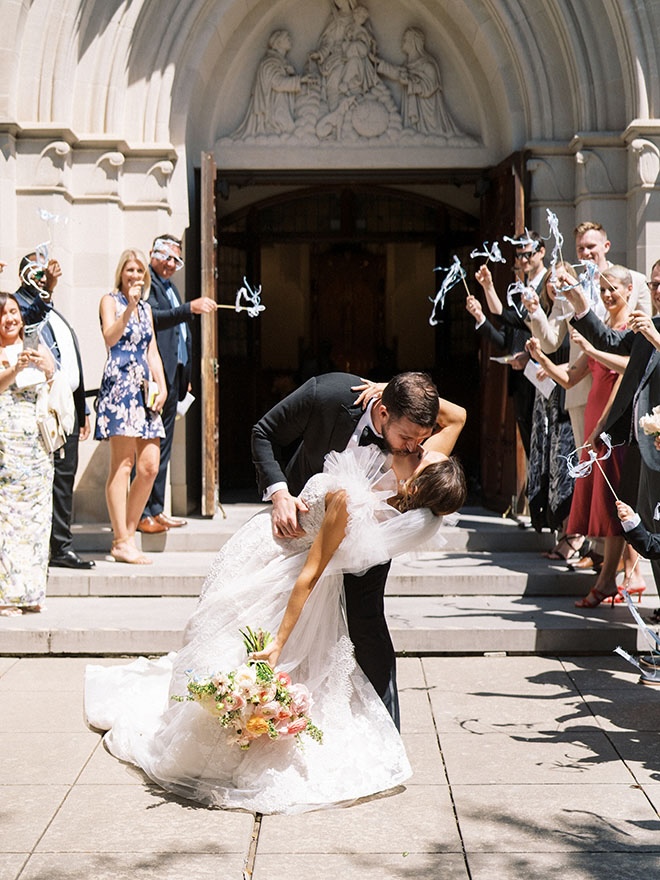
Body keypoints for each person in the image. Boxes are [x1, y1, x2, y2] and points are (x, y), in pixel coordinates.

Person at [85, 437, 467, 813]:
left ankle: (231, 736)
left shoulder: (355, 502)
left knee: (237, 650)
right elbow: (454, 417)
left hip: (281, 571)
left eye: (422, 456)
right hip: (265, 545)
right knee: (213, 640)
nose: (419, 448)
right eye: (419, 445)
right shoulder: (391, 495)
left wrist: (278, 643)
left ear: (412, 485)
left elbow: (310, 575)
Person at [251, 370, 466, 728]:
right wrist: (279, 493)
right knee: (273, 615)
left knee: (366, 625)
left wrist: (392, 396)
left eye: (422, 441)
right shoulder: (328, 393)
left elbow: (456, 417)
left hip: (367, 539)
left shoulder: (419, 464)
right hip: (299, 522)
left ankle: (384, 730)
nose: (415, 448)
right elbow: (264, 432)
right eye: (407, 437)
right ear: (382, 412)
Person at [528, 266, 643, 606]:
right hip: (595, 419)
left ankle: (620, 577)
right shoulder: (605, 329)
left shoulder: (632, 327)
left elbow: (625, 375)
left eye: (613, 289)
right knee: (605, 503)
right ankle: (617, 577)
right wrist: (540, 359)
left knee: (615, 504)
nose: (607, 295)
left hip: (612, 423)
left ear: (627, 290)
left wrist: (602, 425)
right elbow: (570, 378)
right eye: (603, 290)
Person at [561, 259, 660, 606]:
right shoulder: (649, 326)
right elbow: (608, 339)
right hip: (643, 442)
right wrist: (578, 300)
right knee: (646, 523)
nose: (658, 292)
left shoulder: (652, 330)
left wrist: (654, 336)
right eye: (655, 284)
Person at [14, 253, 93, 570]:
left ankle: (60, 545)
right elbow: (30, 321)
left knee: (64, 478)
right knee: (46, 479)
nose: (45, 274)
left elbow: (71, 358)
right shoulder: (18, 307)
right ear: (24, 275)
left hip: (66, 407)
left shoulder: (56, 312)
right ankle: (51, 546)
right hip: (39, 407)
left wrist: (81, 407)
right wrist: (49, 289)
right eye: (38, 270)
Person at [137, 235, 216, 534]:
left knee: (164, 447)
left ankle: (157, 509)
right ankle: (143, 512)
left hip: (174, 380)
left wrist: (186, 377)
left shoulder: (169, 286)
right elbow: (153, 320)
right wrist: (189, 308)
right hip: (155, 382)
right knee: (149, 449)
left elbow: (180, 338)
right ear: (152, 254)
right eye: (167, 257)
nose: (171, 264)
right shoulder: (147, 283)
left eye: (176, 260)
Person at [94, 249, 167, 564]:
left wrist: (162, 385)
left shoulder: (147, 309)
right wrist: (129, 309)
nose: (135, 275)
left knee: (149, 466)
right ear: (121, 273)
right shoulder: (111, 301)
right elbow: (110, 339)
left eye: (139, 270)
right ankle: (122, 540)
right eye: (130, 270)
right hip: (120, 387)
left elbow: (152, 351)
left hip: (144, 390)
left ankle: (126, 532)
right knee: (122, 465)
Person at [0, 292, 55, 615]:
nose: (11, 318)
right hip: (6, 445)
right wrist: (13, 369)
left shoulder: (36, 345)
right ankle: (6, 595)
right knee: (7, 522)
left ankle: (31, 593)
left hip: (35, 446)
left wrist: (47, 368)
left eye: (14, 312)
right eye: (4, 313)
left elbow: (52, 380)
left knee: (35, 522)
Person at [521, 265, 576, 544]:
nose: (555, 284)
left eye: (561, 279)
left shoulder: (579, 307)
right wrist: (534, 311)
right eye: (551, 279)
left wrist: (557, 365)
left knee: (568, 463)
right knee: (553, 463)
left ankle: (573, 537)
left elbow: (589, 354)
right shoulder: (554, 308)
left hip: (571, 392)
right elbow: (549, 342)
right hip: (549, 395)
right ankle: (562, 533)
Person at [377, 27, 460, 136]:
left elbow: (429, 87)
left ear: (414, 42)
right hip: (413, 110)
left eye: (405, 40)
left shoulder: (428, 65)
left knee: (430, 135)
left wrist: (411, 83)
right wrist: (378, 64)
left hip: (428, 113)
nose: (403, 42)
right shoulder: (407, 65)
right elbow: (397, 73)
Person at [234, 30, 314, 138]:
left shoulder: (281, 62)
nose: (290, 39)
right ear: (278, 43)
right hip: (274, 112)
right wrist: (299, 80)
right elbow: (277, 83)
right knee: (289, 132)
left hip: (281, 107)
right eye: (287, 38)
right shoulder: (270, 62)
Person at [574, 221, 651, 316]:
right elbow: (554, 329)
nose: (585, 252)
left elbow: (647, 323)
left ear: (606, 246)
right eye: (580, 248)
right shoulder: (571, 287)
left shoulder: (636, 280)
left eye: (591, 246)